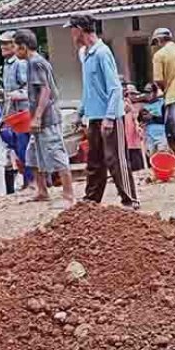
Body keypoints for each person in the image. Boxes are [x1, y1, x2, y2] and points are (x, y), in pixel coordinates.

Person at [64, 14, 139, 209]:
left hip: (110, 116)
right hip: (94, 115)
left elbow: (114, 88)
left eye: (72, 29)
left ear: (79, 30)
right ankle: (91, 199)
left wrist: (109, 117)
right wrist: (82, 112)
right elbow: (90, 87)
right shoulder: (84, 54)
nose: (71, 34)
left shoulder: (102, 53)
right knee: (94, 160)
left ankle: (130, 199)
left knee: (115, 159)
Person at [14, 29, 75, 206]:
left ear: (23, 47)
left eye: (17, 47)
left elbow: (46, 90)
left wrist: (38, 117)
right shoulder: (32, 64)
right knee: (31, 155)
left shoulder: (36, 63)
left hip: (47, 119)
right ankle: (42, 190)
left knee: (56, 154)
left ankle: (68, 195)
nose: (15, 51)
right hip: (38, 119)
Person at [151, 27, 175, 168]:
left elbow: (158, 79)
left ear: (158, 40)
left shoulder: (159, 55)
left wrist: (165, 89)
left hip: (174, 96)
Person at [0, 30, 32, 189]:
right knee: (17, 148)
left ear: (14, 45)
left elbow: (29, 88)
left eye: (5, 43)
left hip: (23, 113)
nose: (2, 46)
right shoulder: (7, 64)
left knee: (25, 148)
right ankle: (27, 180)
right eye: (1, 43)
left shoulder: (20, 63)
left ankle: (32, 181)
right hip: (13, 113)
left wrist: (15, 95)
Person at [140, 82, 170, 157]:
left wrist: (153, 117)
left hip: (161, 137)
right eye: (145, 92)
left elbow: (166, 120)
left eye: (149, 92)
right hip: (149, 138)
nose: (146, 94)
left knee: (162, 157)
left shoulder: (162, 103)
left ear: (155, 92)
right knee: (151, 159)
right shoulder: (144, 107)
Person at [122, 83, 145, 172]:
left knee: (137, 162)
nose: (134, 96)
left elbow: (136, 120)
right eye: (132, 94)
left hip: (134, 139)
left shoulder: (134, 106)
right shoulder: (125, 104)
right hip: (127, 139)